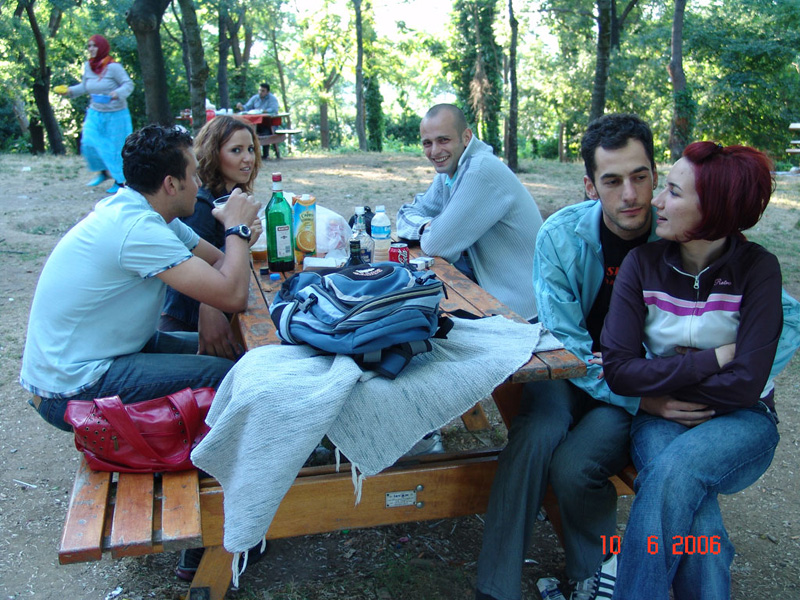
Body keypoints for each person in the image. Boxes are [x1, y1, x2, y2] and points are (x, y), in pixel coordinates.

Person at [475, 113, 658, 600]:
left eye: (640, 177)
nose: (630, 195)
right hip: (570, 369)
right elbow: (567, 340)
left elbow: (782, 315)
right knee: (536, 432)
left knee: (575, 466)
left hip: (631, 387)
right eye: (612, 181)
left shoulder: (678, 234)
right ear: (590, 186)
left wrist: (712, 385)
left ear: (655, 175)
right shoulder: (560, 235)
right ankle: (495, 590)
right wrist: (630, 387)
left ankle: (592, 577)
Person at [600, 143, 789, 599]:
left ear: (714, 209)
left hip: (744, 422)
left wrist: (660, 372)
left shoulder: (758, 269)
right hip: (661, 416)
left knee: (673, 473)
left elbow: (746, 386)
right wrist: (715, 358)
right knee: (699, 526)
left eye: (673, 192)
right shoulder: (641, 265)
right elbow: (619, 372)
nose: (656, 201)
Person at [20, 124, 260, 432]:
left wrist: (234, 243)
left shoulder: (151, 215)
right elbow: (233, 295)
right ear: (171, 184)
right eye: (194, 175)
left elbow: (217, 261)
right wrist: (237, 229)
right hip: (73, 387)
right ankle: (227, 455)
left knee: (242, 354)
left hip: (113, 352)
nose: (199, 183)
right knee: (229, 376)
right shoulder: (138, 229)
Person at [396, 104, 543, 321]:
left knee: (416, 319)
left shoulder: (480, 170)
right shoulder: (450, 172)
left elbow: (437, 244)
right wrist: (426, 226)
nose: (435, 151)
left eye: (443, 140)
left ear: (466, 137)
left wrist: (430, 230)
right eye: (427, 143)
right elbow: (405, 214)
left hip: (523, 312)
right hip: (487, 293)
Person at [159, 115, 263, 360]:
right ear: (214, 154)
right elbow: (194, 267)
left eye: (250, 149)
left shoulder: (230, 197)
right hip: (187, 322)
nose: (247, 158)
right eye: (236, 150)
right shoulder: (201, 205)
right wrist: (241, 240)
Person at [54, 35, 134, 194]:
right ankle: (103, 172)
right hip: (95, 112)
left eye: (94, 46)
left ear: (102, 47)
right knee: (88, 142)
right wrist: (68, 91)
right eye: (89, 46)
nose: (91, 49)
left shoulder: (114, 67)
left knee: (115, 148)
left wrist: (117, 93)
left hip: (116, 114)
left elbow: (128, 84)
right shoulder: (88, 66)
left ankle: (120, 182)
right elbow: (85, 87)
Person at [236, 82, 281, 159]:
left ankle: (265, 154)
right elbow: (247, 107)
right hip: (256, 123)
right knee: (249, 129)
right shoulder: (255, 98)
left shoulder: (272, 99)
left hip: (269, 123)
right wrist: (241, 107)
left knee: (266, 131)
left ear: (267, 92)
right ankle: (252, 154)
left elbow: (274, 109)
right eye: (259, 90)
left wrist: (263, 111)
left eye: (263, 91)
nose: (260, 92)